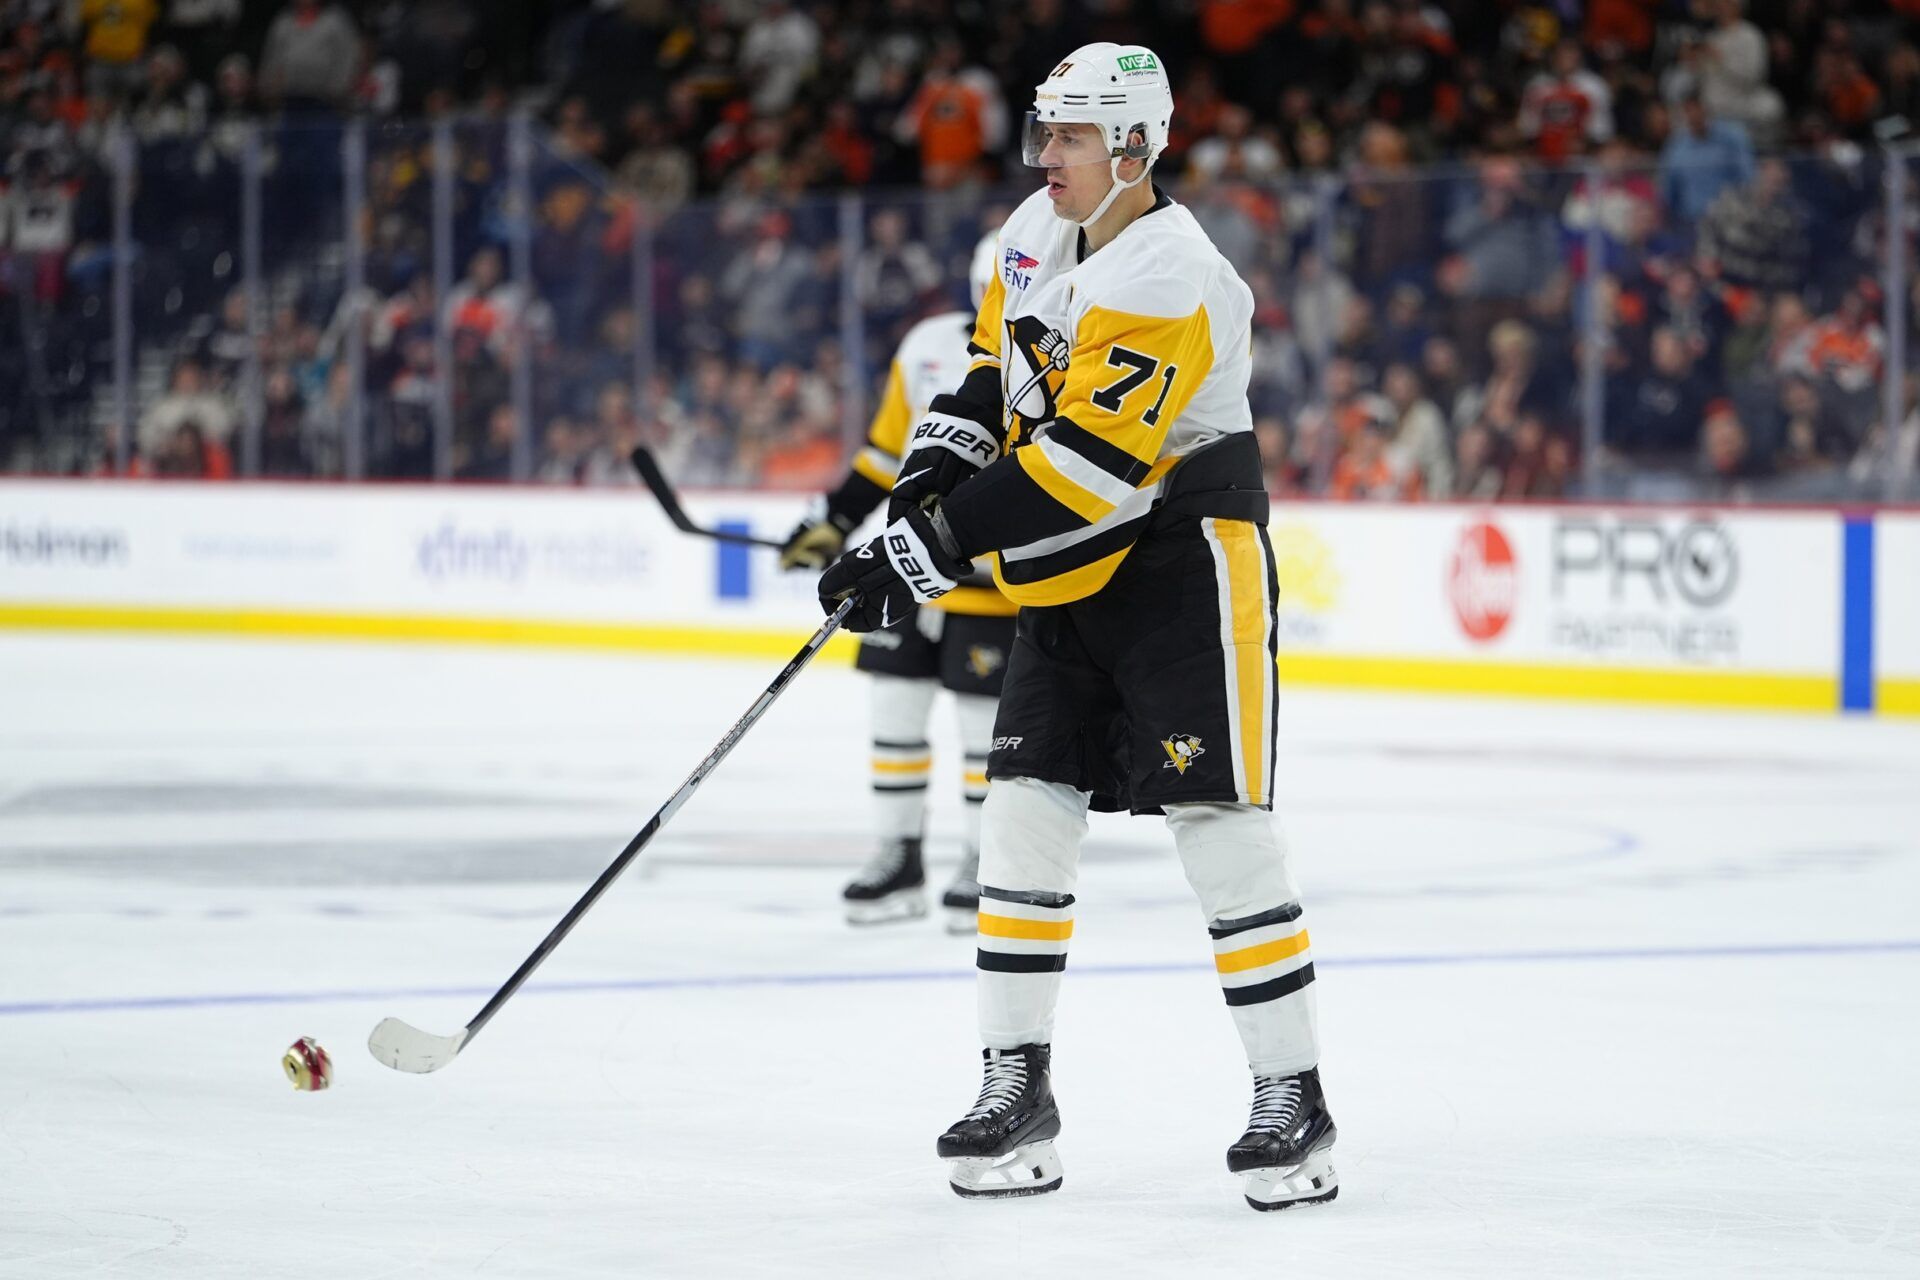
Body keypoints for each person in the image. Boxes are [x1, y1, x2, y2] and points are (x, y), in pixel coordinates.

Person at [816, 43, 1334, 1212]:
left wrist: (927, 555)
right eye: (1043, 132)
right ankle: (1017, 1088)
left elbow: (1086, 469)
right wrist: (908, 506)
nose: (1042, 154)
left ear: (1135, 148)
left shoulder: (1170, 275)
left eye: (1069, 136)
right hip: (1068, 575)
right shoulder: (1035, 232)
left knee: (1221, 827)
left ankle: (1293, 1099)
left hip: (1179, 569)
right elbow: (992, 386)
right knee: (1021, 822)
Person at [780, 233, 1010, 933]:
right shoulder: (927, 346)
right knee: (894, 716)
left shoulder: (1056, 361)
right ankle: (899, 858)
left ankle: (985, 864)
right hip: (906, 568)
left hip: (987, 579)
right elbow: (888, 451)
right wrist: (836, 518)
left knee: (983, 731)